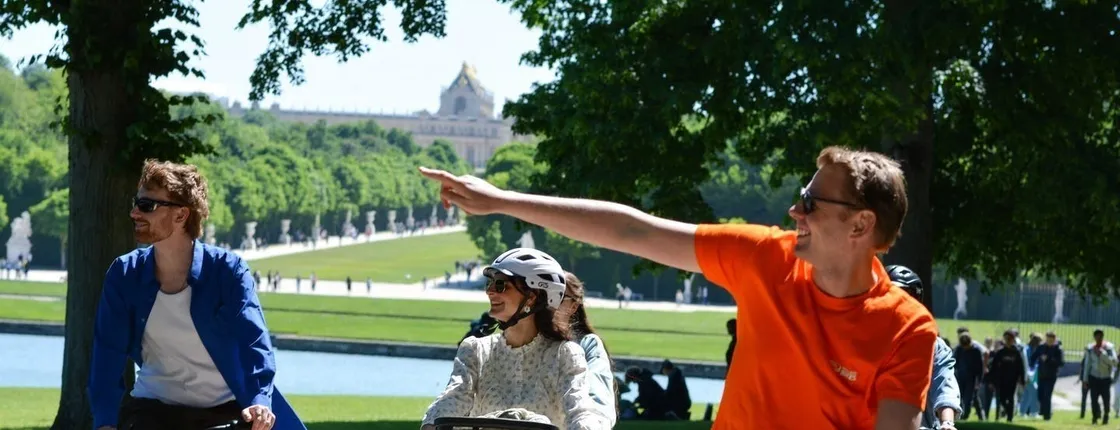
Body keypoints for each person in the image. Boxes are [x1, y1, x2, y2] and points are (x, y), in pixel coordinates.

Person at [421, 145, 938, 428]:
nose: (795, 210)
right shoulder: (764, 257)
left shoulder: (906, 329)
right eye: (802, 194)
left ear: (860, 225)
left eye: (813, 202)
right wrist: (502, 200)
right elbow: (634, 229)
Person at [88, 160, 303, 430]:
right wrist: (105, 422)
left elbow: (254, 343)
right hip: (153, 411)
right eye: (136, 203)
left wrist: (260, 400)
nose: (134, 213)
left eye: (147, 206)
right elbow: (106, 356)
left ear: (181, 216)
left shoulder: (228, 271)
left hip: (227, 410)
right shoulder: (124, 274)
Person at [421, 248, 610, 429]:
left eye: (501, 284)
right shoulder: (475, 350)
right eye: (490, 283)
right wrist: (431, 423)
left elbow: (580, 407)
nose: (490, 291)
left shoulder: (565, 354)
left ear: (532, 297)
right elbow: (454, 397)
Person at [887, 265, 961, 430]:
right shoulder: (864, 340)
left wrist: (947, 423)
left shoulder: (933, 345)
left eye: (905, 297)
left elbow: (944, 384)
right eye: (889, 296)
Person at [557, 271, 618, 427]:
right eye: (543, 295)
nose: (550, 303)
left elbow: (599, 402)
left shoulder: (588, 344)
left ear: (573, 306)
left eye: (558, 297)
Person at [986, 331, 1026, 422]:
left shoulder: (1016, 353)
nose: (1008, 341)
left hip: (1012, 380)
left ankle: (1010, 418)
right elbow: (994, 367)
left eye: (1010, 339)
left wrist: (1022, 380)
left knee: (1011, 398)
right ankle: (1008, 411)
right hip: (1001, 380)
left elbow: (1021, 367)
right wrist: (991, 380)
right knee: (1002, 398)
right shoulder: (1000, 352)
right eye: (1006, 339)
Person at [1083, 328, 1117, 425]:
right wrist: (1085, 380)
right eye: (1096, 336)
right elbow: (1087, 365)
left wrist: (1102, 354)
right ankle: (1095, 417)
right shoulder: (1090, 349)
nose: (1098, 338)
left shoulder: (1109, 348)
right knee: (1094, 399)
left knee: (1106, 399)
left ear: (1103, 336)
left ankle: (1106, 416)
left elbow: (1114, 362)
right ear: (1094, 337)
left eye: (1100, 335)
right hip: (1094, 377)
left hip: (1105, 377)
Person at [953, 332, 985, 421]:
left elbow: (980, 367)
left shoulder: (976, 351)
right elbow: (954, 362)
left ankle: (965, 415)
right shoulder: (959, 349)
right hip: (960, 378)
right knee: (961, 397)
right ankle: (977, 415)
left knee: (969, 398)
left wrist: (979, 380)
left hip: (972, 378)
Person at [1032, 331, 1064, 421]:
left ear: (1054, 340)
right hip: (1041, 374)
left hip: (1051, 376)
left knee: (1047, 394)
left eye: (1051, 340)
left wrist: (1049, 359)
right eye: (1048, 339)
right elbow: (1034, 356)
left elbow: (1061, 362)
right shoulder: (1041, 347)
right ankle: (1044, 410)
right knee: (1040, 395)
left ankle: (1047, 415)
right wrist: (1032, 362)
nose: (1049, 341)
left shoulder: (1058, 349)